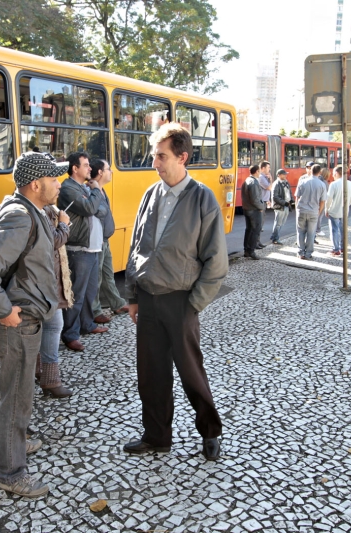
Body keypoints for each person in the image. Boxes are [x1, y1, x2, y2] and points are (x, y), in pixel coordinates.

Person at [0, 151, 68, 498]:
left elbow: (39, 250)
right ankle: (11, 474)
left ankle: (18, 443)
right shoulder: (20, 216)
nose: (59, 183)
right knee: (16, 398)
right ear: (36, 184)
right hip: (18, 322)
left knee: (21, 395)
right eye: (54, 179)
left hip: (27, 319)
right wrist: (3, 309)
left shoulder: (31, 212)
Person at [123, 123, 228, 461]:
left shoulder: (202, 198)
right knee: (151, 374)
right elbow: (136, 246)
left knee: (190, 373)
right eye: (155, 155)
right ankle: (157, 436)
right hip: (150, 300)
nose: (155, 163)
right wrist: (134, 296)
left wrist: (194, 304)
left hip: (181, 300)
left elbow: (216, 260)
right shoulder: (150, 195)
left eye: (161, 156)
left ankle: (210, 432)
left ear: (182, 157)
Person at [57, 152, 108, 352]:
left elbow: (101, 210)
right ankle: (70, 334)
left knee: (89, 292)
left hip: (93, 247)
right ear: (75, 168)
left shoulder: (84, 188)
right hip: (78, 248)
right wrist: (95, 191)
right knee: (76, 294)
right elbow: (89, 208)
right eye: (86, 165)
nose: (90, 169)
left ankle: (87, 324)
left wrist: (94, 200)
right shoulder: (69, 188)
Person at [37, 202, 74, 398]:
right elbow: (54, 240)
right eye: (53, 180)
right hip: (44, 283)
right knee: (53, 326)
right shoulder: (39, 212)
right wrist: (64, 224)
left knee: (44, 327)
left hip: (47, 281)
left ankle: (40, 371)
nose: (59, 184)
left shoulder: (42, 209)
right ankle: (51, 380)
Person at [90, 159, 129, 323]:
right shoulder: (93, 191)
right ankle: (94, 310)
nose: (111, 172)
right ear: (100, 172)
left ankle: (117, 303)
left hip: (104, 240)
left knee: (108, 274)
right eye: (108, 169)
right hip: (97, 240)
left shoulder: (101, 190)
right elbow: (98, 212)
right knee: (97, 277)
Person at [295, 164, 327, 260]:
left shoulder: (303, 181)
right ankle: (308, 253)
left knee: (300, 231)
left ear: (310, 170)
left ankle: (301, 252)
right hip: (313, 211)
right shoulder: (322, 184)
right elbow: (322, 201)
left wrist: (297, 208)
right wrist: (319, 211)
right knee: (311, 233)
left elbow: (297, 197)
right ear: (320, 172)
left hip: (302, 209)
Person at [326, 165, 351, 256]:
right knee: (343, 230)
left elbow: (329, 198)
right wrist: (346, 205)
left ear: (337, 173)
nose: (333, 175)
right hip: (344, 211)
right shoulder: (350, 183)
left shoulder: (333, 184)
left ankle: (335, 249)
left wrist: (327, 209)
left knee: (334, 230)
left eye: (333, 173)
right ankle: (343, 247)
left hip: (334, 210)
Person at [241, 163, 265, 259]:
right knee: (255, 230)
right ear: (256, 172)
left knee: (249, 230)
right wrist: (261, 207)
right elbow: (255, 199)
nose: (260, 173)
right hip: (254, 210)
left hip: (247, 208)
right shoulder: (254, 182)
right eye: (259, 171)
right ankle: (251, 251)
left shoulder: (247, 180)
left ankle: (246, 250)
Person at [269, 169, 292, 245]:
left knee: (282, 222)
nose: (286, 175)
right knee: (278, 223)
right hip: (280, 206)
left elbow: (289, 192)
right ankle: (275, 238)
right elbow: (275, 197)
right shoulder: (276, 184)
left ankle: (275, 236)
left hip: (286, 205)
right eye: (284, 174)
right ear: (279, 175)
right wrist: (284, 202)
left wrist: (291, 200)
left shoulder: (286, 182)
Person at [315, 168, 330, 237]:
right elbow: (326, 194)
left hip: (315, 201)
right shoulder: (325, 182)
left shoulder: (317, 180)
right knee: (319, 216)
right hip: (321, 201)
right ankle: (318, 230)